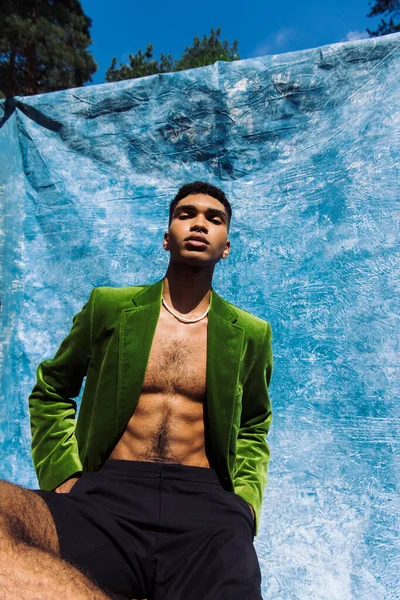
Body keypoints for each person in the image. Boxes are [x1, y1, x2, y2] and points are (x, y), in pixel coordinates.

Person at [0, 181, 274, 600]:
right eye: (186, 214)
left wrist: (245, 503)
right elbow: (52, 390)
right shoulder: (109, 307)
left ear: (226, 247)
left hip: (206, 507)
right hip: (107, 496)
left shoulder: (251, 333)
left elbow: (254, 425)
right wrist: (64, 475)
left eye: (213, 219)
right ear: (167, 238)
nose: (199, 223)